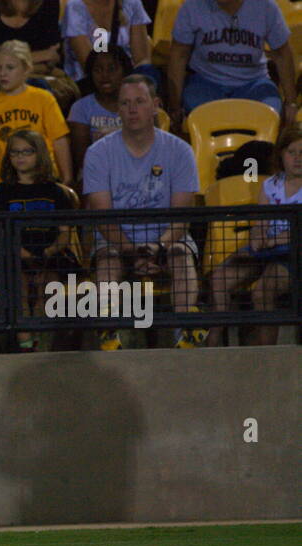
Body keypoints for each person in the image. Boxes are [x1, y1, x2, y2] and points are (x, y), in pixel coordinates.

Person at [82, 74, 201, 351]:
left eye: (139, 101)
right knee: (108, 263)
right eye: (125, 103)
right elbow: (102, 216)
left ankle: (185, 337)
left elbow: (181, 215)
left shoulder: (180, 151)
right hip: (116, 239)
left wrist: (159, 246)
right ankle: (109, 335)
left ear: (156, 105)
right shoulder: (98, 154)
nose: (132, 109)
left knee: (181, 257)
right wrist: (132, 250)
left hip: (168, 237)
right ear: (118, 110)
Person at [207, 124, 302, 347]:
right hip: (267, 250)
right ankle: (212, 343)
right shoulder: (270, 184)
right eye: (292, 152)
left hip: (295, 255)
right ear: (282, 154)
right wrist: (258, 238)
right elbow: (261, 222)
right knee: (220, 278)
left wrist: (277, 240)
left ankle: (265, 358)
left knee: (262, 291)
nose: (298, 158)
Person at [0, 129, 79, 352]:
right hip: (15, 255)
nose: (20, 157)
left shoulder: (56, 191)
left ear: (39, 154)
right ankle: (25, 343)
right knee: (17, 285)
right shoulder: (3, 192)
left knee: (47, 286)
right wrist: (24, 255)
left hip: (52, 254)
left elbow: (65, 234)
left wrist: (47, 253)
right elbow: (1, 235)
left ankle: (44, 341)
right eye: (14, 152)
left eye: (27, 151)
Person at [168, 0, 296, 127]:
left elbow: (282, 55)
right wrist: (175, 105)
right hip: (205, 80)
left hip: (253, 81)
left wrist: (291, 102)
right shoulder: (192, 6)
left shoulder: (266, 6)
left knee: (269, 111)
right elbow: (179, 55)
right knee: (201, 111)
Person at [0, 40, 72, 208]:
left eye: (10, 68)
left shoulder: (43, 99)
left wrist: (67, 179)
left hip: (44, 179)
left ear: (26, 69)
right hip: (5, 182)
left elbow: (59, 140)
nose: (2, 74)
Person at [68, 46, 133, 185]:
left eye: (112, 69)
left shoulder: (138, 105)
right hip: (95, 175)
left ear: (124, 72)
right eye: (98, 70)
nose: (105, 75)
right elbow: (82, 159)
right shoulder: (81, 108)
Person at [61, 0, 155, 86]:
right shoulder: (75, 7)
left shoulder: (132, 4)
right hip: (90, 81)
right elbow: (88, 64)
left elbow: (142, 60)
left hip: (128, 79)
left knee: (148, 72)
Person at [0, 0, 62, 77]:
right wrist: (40, 56)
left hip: (40, 75)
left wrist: (6, 69)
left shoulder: (49, 3)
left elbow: (51, 59)